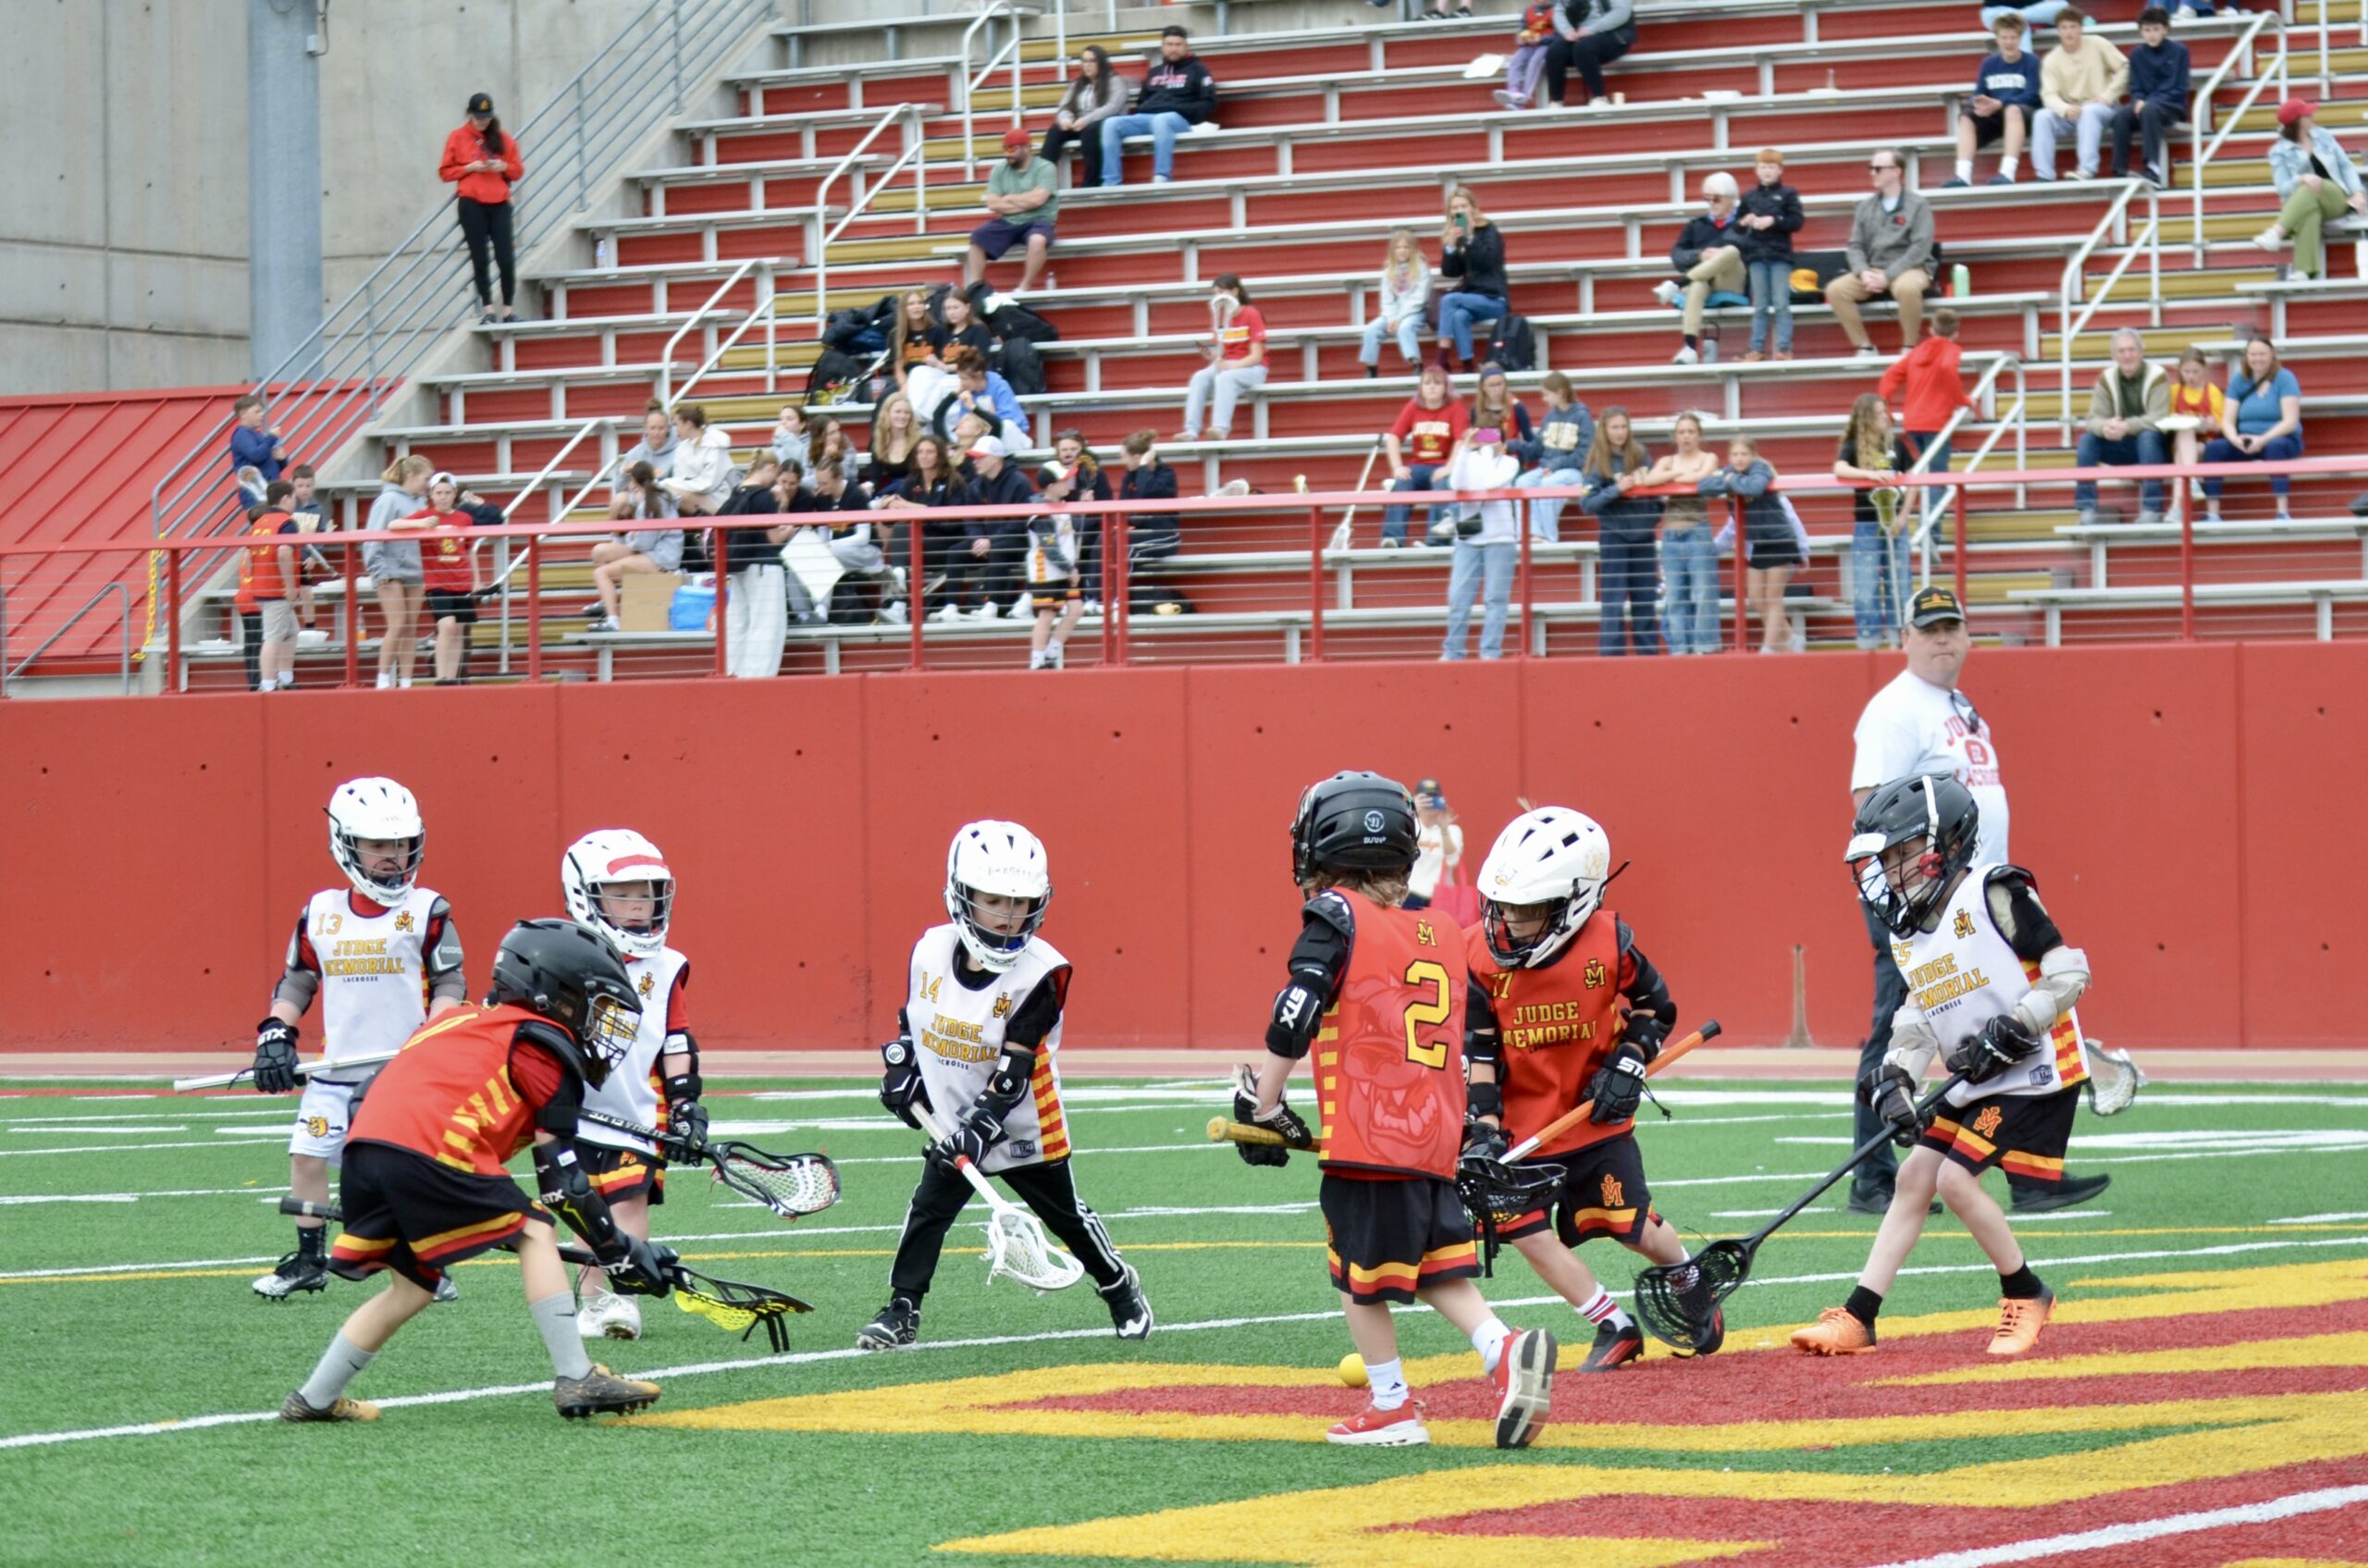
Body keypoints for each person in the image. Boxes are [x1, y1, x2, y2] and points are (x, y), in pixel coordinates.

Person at [1232, 772, 1558, 1450]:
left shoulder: (1336, 915)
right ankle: (1503, 1348)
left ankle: (1392, 1405)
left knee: (1356, 1274)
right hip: (1432, 1138)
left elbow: (1296, 1009)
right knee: (1436, 1264)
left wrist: (1263, 1102)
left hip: (1368, 1136)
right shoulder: (1443, 930)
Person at [279, 920, 670, 1423]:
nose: (595, 1023)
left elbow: (369, 1092)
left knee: (412, 1287)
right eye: (590, 1005)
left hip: (365, 1148)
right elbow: (562, 1183)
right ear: (555, 994)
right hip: (434, 1146)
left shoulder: (456, 1020)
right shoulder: (541, 1046)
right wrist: (616, 1248)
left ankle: (313, 1399)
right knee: (535, 1229)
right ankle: (577, 1376)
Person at [1790, 772, 2095, 1357]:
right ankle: (1859, 1316)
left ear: (1946, 842)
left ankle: (2026, 1293)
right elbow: (1918, 1015)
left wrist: (2019, 1023)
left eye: (1901, 853)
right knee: (1913, 1178)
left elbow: (2069, 972)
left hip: (2035, 1070)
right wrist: (1899, 1077)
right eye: (1885, 858)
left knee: (1954, 1180)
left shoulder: (1996, 892)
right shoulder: (1909, 930)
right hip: (1978, 1076)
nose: (1890, 870)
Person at [1845, 587, 2111, 1215]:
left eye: (1951, 627)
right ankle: (1873, 1177)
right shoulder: (1895, 709)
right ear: (1905, 638)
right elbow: (1870, 808)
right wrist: (1916, 889)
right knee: (1904, 1020)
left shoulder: (1958, 705)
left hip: (1973, 900)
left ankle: (2030, 1172)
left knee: (2008, 1016)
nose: (1942, 638)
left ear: (1968, 636)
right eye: (1929, 628)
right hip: (1925, 899)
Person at [861, 821, 1151, 1351]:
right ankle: (902, 1308)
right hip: (953, 1116)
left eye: (1020, 903)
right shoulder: (930, 950)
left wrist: (979, 1128)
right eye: (994, 900)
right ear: (961, 894)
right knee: (928, 1210)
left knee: (1065, 1217)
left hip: (1022, 1121)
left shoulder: (1042, 973)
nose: (1008, 915)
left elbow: (1015, 1067)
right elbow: (915, 1020)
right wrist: (903, 1067)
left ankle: (1116, 1284)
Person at [1463, 807, 1697, 1372]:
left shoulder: (1609, 945)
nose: (1508, 920)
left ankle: (1690, 1280)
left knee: (1632, 1228)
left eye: (1527, 909)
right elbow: (1480, 1051)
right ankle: (1613, 1324)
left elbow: (1656, 1007)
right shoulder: (1478, 958)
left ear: (1573, 902)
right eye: (1504, 905)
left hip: (1594, 1120)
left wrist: (1630, 1060)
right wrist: (1484, 1130)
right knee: (1523, 1230)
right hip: (1523, 1127)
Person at [250, 777, 464, 1301]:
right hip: (336, 1070)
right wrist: (276, 1031)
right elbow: (299, 978)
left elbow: (450, 982)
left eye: (401, 844)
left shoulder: (428, 909)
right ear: (346, 845)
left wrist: (435, 1033)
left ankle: (423, 1266)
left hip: (403, 1073)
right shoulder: (321, 911)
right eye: (378, 845)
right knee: (306, 1156)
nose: (393, 856)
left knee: (401, 1175)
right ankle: (309, 1260)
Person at [561, 831, 705, 1343]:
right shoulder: (563, 958)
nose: (639, 906)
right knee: (583, 1209)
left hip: (638, 1116)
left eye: (647, 894)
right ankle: (594, 1300)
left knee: (627, 1203)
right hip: (574, 1113)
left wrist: (686, 1102)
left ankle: (622, 1300)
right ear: (586, 898)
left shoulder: (665, 967)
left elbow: (675, 1039)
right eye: (622, 895)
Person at [1832, 147, 1938, 356]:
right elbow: (1855, 245)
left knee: (1907, 288)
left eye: (1878, 168)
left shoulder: (1918, 205)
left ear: (1896, 171)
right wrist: (1863, 271)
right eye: (1871, 168)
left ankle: (1909, 346)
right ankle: (1865, 346)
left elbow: (1920, 247)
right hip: (1873, 269)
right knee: (1836, 290)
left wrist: (1888, 275)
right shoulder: (1864, 207)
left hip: (1911, 268)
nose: (1873, 173)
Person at [1700, 435, 1801, 654]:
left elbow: (1755, 487)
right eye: (1735, 454)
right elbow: (1704, 485)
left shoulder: (1761, 468)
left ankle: (1769, 648)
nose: (1739, 459)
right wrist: (1731, 480)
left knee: (1773, 597)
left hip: (1779, 540)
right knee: (1755, 598)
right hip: (1759, 544)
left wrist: (1730, 481)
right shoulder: (1730, 471)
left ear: (1753, 455)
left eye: (1744, 454)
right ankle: (1790, 640)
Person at [1878, 308, 1977, 528]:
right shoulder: (1951, 349)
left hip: (1913, 423)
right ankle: (1931, 533)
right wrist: (1962, 399)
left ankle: (1927, 528)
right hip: (1936, 423)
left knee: (1928, 473)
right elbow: (1947, 368)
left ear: (1931, 330)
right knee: (1937, 478)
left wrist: (1885, 407)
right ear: (1956, 333)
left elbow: (1889, 375)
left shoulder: (1917, 352)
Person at [401, 472, 500, 685]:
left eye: (447, 493)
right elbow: (394, 525)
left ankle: (452, 678)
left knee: (459, 629)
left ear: (454, 494)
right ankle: (441, 677)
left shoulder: (464, 517)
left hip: (461, 580)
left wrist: (477, 580)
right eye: (439, 493)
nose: (443, 497)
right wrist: (421, 524)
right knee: (446, 625)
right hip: (437, 581)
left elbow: (470, 548)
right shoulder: (425, 515)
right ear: (431, 495)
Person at [2254, 98, 2368, 280]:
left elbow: (2345, 166)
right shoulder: (2279, 151)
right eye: (2307, 114)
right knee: (2309, 208)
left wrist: (2358, 193)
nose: (2312, 115)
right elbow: (2283, 188)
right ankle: (2304, 271)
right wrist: (2301, 179)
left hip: (2336, 198)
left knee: (2311, 188)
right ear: (2298, 121)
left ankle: (2277, 231)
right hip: (2305, 203)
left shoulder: (2323, 136)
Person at [1580, 407, 1663, 656]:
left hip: (1643, 537)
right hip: (1614, 537)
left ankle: (1648, 655)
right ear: (1604, 430)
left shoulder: (1641, 454)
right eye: (1614, 427)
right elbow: (1587, 503)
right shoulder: (1597, 460)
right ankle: (1611, 657)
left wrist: (1651, 519)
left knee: (1645, 598)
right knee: (1613, 600)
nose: (1620, 432)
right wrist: (1616, 489)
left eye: (1623, 427)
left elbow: (1657, 491)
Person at [1836, 392, 1915, 651]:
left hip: (1896, 525)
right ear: (1867, 418)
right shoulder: (1853, 445)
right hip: (1867, 524)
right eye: (1879, 413)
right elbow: (1839, 468)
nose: (1885, 417)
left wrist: (1903, 517)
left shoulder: (1897, 445)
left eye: (1885, 412)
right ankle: (1868, 642)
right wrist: (1870, 475)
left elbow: (1913, 480)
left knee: (1900, 583)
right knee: (1866, 583)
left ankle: (1898, 639)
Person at [439, 93, 524, 325]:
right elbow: (445, 172)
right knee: (480, 258)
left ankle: (508, 310)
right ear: (470, 114)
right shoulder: (457, 137)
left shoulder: (503, 138)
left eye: (486, 117)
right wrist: (470, 167)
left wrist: (503, 166)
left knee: (505, 258)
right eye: (479, 117)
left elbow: (517, 171)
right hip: (472, 203)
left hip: (499, 203)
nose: (483, 122)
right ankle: (488, 309)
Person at [1439, 426, 1523, 661]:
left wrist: (1485, 452)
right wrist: (1465, 450)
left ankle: (1490, 651)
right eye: (1484, 437)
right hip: (1468, 537)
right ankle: (1453, 651)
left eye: (1494, 438)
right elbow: (1456, 483)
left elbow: (1490, 483)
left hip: (1501, 537)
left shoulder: (1510, 463)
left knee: (1495, 598)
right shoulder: (1469, 459)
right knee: (1458, 596)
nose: (1488, 442)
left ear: (1504, 445)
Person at [1640, 412, 1720, 654]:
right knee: (1675, 595)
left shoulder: (1709, 457)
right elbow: (1649, 480)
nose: (1686, 436)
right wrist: (1675, 475)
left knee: (1703, 592)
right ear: (1675, 436)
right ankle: (1679, 649)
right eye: (1682, 432)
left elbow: (1701, 477)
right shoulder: (1667, 460)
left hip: (1698, 531)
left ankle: (1704, 646)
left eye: (1691, 432)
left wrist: (1670, 480)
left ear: (1699, 435)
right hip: (1671, 535)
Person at [2202, 337, 2304, 524]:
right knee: (2213, 449)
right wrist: (2235, 439)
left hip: (2281, 438)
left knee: (2276, 447)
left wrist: (2262, 439)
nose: (2257, 358)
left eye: (2262, 354)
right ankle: (2212, 513)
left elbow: (2290, 421)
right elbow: (2227, 421)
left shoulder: (2285, 378)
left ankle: (2282, 512)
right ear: (2246, 357)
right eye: (2253, 354)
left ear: (2272, 355)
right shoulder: (2239, 380)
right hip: (2246, 440)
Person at [2075, 327, 2169, 527]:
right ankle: (2087, 509)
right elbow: (2092, 419)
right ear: (2114, 356)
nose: (2127, 355)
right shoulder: (2107, 379)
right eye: (2122, 351)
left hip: (2156, 447)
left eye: (2132, 350)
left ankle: (2152, 509)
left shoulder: (2157, 375)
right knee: (2087, 440)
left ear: (2141, 352)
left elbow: (2159, 418)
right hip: (2122, 445)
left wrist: (2127, 426)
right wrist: (2106, 427)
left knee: (2148, 436)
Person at [1100, 26, 1216, 187]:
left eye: (1178, 44)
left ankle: (1162, 176)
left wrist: (1186, 112)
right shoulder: (1154, 72)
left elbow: (1209, 102)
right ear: (1162, 47)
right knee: (1110, 124)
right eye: (1169, 44)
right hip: (1148, 118)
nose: (1173, 49)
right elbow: (1142, 101)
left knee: (1162, 119)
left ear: (1186, 46)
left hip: (1178, 119)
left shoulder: (1198, 69)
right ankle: (1111, 182)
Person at [718, 451, 798, 675]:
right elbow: (774, 537)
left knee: (738, 623)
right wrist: (790, 526)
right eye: (777, 474)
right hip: (765, 566)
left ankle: (732, 673)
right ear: (770, 468)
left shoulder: (736, 494)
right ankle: (758, 678)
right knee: (766, 624)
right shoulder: (764, 496)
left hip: (740, 567)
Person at [2031, 8, 2126, 184]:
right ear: (2058, 31)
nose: (2069, 32)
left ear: (2081, 28)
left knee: (2089, 112)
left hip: (2103, 107)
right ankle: (2044, 175)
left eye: (2073, 27)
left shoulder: (2098, 43)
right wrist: (2065, 109)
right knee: (2042, 116)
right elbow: (2049, 95)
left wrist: (2108, 95)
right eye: (2064, 27)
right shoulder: (2051, 59)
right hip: (2071, 111)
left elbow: (2124, 68)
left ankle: (2086, 170)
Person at [1381, 364, 1471, 547]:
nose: (1432, 387)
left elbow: (1461, 440)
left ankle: (1435, 540)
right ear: (1421, 387)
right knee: (1402, 483)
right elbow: (1393, 437)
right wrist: (1397, 467)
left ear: (1445, 387)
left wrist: (1449, 467)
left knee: (1442, 485)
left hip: (1443, 464)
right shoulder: (1413, 407)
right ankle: (1392, 538)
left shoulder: (1455, 408)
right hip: (1418, 466)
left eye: (1437, 383)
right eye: (1427, 383)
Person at [1946, 15, 2041, 188]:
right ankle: (1962, 176)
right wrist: (1978, 102)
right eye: (2004, 37)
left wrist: (2001, 104)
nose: (2008, 42)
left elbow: (2033, 96)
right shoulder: (1989, 63)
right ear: (1997, 39)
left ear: (2020, 39)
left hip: (2022, 115)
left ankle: (2007, 173)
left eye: (2013, 37)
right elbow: (1979, 92)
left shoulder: (2031, 61)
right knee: (1966, 116)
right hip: (1995, 114)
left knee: (2012, 110)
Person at [588, 463, 684, 633]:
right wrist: (634, 537)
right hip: (650, 549)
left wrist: (632, 536)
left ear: (633, 481)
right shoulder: (649, 496)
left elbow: (645, 542)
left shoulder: (652, 503)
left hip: (660, 558)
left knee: (601, 573)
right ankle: (608, 596)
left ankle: (613, 621)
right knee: (599, 552)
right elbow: (644, 539)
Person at [364, 455, 432, 690]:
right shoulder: (388, 500)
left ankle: (406, 681)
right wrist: (378, 569)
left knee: (410, 626)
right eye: (425, 479)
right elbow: (373, 537)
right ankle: (383, 679)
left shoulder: (421, 502)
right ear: (411, 476)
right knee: (398, 623)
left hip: (415, 570)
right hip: (389, 570)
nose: (427, 484)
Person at [966, 129, 1058, 297]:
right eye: (1005, 149)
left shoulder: (1045, 167)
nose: (1007, 154)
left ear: (1026, 148)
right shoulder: (999, 169)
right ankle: (975, 288)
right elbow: (992, 203)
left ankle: (1024, 287)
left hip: (1039, 220)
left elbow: (1038, 200)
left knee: (1038, 240)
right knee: (977, 237)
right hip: (1008, 221)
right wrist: (1026, 202)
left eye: (1011, 149)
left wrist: (1010, 198)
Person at [1666, 172, 1745, 366]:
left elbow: (1751, 252)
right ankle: (1690, 347)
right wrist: (1699, 255)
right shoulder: (1696, 225)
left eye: (1716, 199)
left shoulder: (1743, 223)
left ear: (1730, 198)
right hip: (1703, 281)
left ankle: (1679, 284)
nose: (1711, 203)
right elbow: (1677, 256)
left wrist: (1719, 254)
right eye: (1707, 199)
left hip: (1730, 279)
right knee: (1698, 284)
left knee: (1731, 252)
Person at [959, 433, 1038, 621]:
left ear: (995, 458)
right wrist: (978, 538)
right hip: (987, 541)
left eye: (980, 457)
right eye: (974, 458)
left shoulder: (1019, 482)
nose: (975, 462)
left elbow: (1021, 522)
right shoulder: (975, 485)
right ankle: (951, 606)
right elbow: (970, 518)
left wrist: (990, 540)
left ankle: (992, 605)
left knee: (998, 549)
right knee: (955, 552)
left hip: (1018, 540)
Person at [1736, 148, 1804, 362]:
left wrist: (1774, 221)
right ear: (1756, 170)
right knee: (1760, 305)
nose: (1767, 171)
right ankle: (1756, 349)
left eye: (1771, 167)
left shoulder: (1788, 194)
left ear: (1780, 170)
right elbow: (1737, 227)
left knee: (1781, 303)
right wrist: (1745, 221)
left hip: (1779, 256)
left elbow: (1797, 222)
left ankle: (1784, 348)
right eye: (1763, 167)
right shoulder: (1749, 196)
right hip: (1756, 256)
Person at [1182, 274, 1266, 443]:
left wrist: (1230, 367)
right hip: (1229, 364)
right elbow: (1222, 353)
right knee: (1199, 377)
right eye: (1215, 293)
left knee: (1225, 378)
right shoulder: (1221, 318)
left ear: (1235, 291)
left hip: (1252, 368)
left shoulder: (1251, 314)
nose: (1218, 297)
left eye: (1221, 292)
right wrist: (1209, 354)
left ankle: (1220, 430)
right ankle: (1191, 431)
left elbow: (1257, 356)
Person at [235, 481, 302, 692]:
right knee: (272, 638)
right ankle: (268, 685)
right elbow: (284, 552)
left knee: (291, 631)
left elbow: (247, 557)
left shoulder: (259, 523)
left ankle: (286, 678)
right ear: (285, 499)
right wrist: (290, 586)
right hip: (277, 590)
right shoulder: (286, 523)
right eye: (293, 497)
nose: (295, 502)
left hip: (262, 588)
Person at [1511, 371, 1594, 541]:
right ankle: (1532, 533)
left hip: (1574, 471)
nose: (1544, 399)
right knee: (1522, 482)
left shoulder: (1582, 416)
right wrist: (1514, 445)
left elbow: (1585, 455)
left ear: (1560, 393)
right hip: (1549, 468)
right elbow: (1537, 448)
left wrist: (1556, 464)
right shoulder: (1550, 416)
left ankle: (1550, 537)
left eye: (1547, 394)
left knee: (1548, 484)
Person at [1037, 429, 1110, 616]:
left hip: (1089, 526)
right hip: (1062, 526)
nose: (1068, 454)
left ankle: (1086, 597)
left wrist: (1091, 504)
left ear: (1082, 450)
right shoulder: (1052, 473)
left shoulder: (1095, 473)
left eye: (1073, 449)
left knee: (1088, 542)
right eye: (1064, 450)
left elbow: (1107, 503)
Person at [1435, 186, 1508, 375]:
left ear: (1473, 208)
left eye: (1463, 206)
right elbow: (1450, 272)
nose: (1459, 211)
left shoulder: (1488, 230)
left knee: (1449, 300)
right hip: (1472, 298)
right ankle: (1467, 365)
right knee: (1459, 316)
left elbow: (1487, 261)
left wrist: (1470, 239)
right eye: (1455, 208)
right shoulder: (1457, 235)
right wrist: (1451, 247)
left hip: (1494, 298)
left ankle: (1441, 357)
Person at [2113, 7, 2189, 186]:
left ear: (2166, 29)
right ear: (2141, 32)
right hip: (2147, 105)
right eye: (2147, 30)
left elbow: (2179, 88)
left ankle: (2153, 168)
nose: (2152, 34)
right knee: (2121, 116)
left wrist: (2148, 101)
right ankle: (2119, 168)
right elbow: (2135, 86)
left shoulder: (2180, 51)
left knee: (2149, 109)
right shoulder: (2136, 54)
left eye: (2156, 29)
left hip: (2172, 106)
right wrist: (2138, 100)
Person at [1043, 45, 1130, 188]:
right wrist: (1066, 119)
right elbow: (1064, 107)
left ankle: (1091, 182)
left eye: (1092, 61)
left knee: (1091, 131)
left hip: (1102, 123)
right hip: (1078, 124)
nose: (1087, 65)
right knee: (1055, 131)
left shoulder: (1115, 81)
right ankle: (1043, 181)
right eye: (1084, 61)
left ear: (1101, 62)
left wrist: (1087, 120)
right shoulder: (1077, 84)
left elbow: (1112, 107)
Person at [1359, 228, 1432, 377]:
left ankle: (1416, 363)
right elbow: (1387, 299)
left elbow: (1420, 298)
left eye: (1406, 247)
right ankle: (1371, 368)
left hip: (1415, 311)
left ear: (1413, 249)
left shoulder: (1421, 269)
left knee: (1405, 328)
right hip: (1393, 314)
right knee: (1371, 329)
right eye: (1398, 247)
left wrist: (1399, 318)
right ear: (1393, 250)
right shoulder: (1389, 271)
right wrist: (1392, 317)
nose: (1402, 251)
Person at [1541, 0, 1636, 110]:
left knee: (1583, 48)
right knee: (1555, 52)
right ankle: (1556, 101)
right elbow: (1559, 11)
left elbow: (1621, 13)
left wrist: (1591, 30)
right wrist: (1567, 31)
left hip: (1615, 34)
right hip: (1581, 34)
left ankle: (1600, 97)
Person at [1116, 429, 1181, 583]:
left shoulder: (1166, 474)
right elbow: (1126, 507)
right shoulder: (1129, 476)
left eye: (1124, 457)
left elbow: (1145, 493)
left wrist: (1143, 467)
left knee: (1126, 550)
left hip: (1165, 535)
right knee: (1105, 542)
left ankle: (1120, 595)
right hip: (1140, 533)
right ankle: (1095, 595)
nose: (1122, 461)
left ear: (1137, 458)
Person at [938, 343, 1030, 449]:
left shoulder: (999, 385)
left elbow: (1010, 420)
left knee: (1007, 426)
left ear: (978, 375)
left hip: (1011, 437)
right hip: (981, 438)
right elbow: (964, 421)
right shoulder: (967, 393)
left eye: (965, 379)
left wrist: (987, 416)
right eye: (960, 378)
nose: (962, 383)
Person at [2166, 344, 2226, 504]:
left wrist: (2213, 424)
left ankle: (2176, 505)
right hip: (2179, 441)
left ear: (2204, 370)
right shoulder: (2175, 391)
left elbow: (2223, 425)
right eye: (2186, 372)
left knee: (2182, 454)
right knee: (2185, 432)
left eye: (2195, 371)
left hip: (2205, 441)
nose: (2191, 376)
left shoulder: (2212, 391)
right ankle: (2191, 480)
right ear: (2180, 371)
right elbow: (2167, 418)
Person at [658, 404, 736, 518]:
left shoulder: (714, 446)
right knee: (661, 492)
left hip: (720, 501)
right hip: (698, 498)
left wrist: (668, 483)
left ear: (688, 424)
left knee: (667, 492)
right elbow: (681, 478)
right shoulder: (682, 448)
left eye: (676, 424)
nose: (674, 429)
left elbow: (707, 485)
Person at [1405, 779, 1462, 912]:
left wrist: (1444, 830)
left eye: (1433, 799)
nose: (1429, 803)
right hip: (1410, 894)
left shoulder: (1452, 830)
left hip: (1439, 897)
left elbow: (1452, 860)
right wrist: (1410, 811)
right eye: (1425, 799)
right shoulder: (1409, 825)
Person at [1493, 3, 1558, 110]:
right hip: (1529, 45)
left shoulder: (1556, 10)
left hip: (1546, 45)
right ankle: (1514, 89)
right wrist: (1522, 38)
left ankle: (1525, 97)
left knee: (1535, 62)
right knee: (1516, 59)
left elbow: (1559, 34)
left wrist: (1542, 39)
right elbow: (1522, 28)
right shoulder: (1529, 10)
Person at [865, 390, 922, 493]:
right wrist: (868, 487)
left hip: (916, 490)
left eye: (907, 412)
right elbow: (874, 478)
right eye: (898, 412)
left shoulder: (919, 442)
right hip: (895, 492)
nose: (902, 416)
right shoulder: (880, 443)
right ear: (887, 414)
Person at [228, 393, 287, 490]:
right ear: (243, 414)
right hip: (255, 492)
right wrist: (271, 437)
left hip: (268, 488)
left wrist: (281, 459)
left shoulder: (257, 435)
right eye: (257, 412)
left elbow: (270, 465)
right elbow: (256, 456)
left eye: (261, 411)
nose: (262, 414)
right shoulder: (242, 434)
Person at [770, 402, 809, 472]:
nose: (783, 422)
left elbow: (798, 458)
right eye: (781, 419)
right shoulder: (773, 449)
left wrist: (784, 435)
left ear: (802, 425)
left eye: (790, 419)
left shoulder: (811, 447)